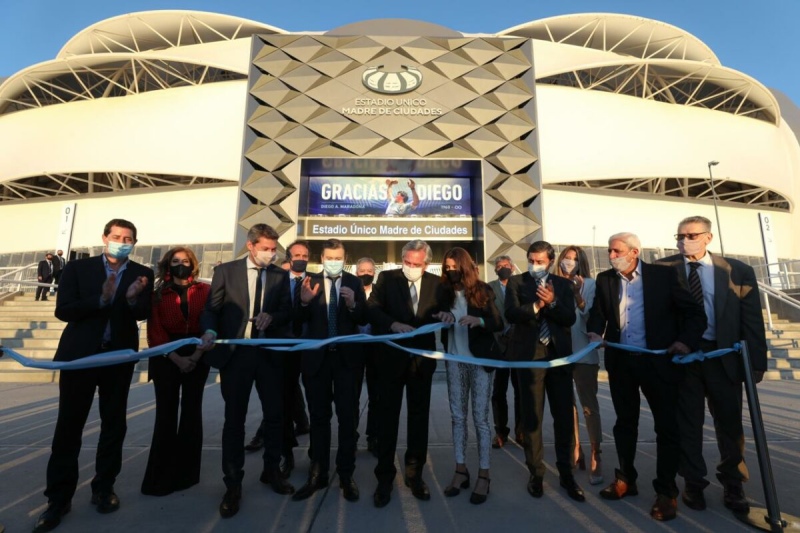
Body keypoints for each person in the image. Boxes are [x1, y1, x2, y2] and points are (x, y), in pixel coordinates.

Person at [33, 219, 153, 533]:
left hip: (118, 359)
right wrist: (100, 299)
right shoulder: (77, 269)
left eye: (128, 238)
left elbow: (143, 312)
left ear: (134, 242)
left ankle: (103, 488)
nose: (121, 242)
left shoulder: (143, 274)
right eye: (116, 237)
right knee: (69, 427)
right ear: (105, 238)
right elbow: (64, 310)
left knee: (114, 424)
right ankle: (58, 498)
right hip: (80, 358)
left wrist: (129, 298)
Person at [587, 232, 706, 522]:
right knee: (624, 424)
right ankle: (625, 478)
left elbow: (695, 314)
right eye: (609, 251)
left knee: (667, 427)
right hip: (622, 363)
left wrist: (685, 341)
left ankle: (666, 492)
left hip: (659, 364)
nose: (611, 256)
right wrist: (594, 331)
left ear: (634, 252)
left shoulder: (662, 277)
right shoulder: (605, 280)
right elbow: (598, 313)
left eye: (617, 251)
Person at [657, 216, 767, 514]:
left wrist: (756, 361)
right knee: (688, 424)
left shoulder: (737, 271)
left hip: (724, 357)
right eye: (679, 236)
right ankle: (693, 482)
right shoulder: (664, 269)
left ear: (708, 237)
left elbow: (752, 320)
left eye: (691, 235)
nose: (684, 241)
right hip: (683, 360)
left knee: (730, 426)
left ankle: (733, 483)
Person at [198, 223, 294, 518]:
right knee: (234, 420)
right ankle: (233, 483)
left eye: (274, 248)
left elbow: (287, 311)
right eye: (266, 248)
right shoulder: (226, 271)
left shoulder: (280, 275)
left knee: (275, 416)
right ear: (251, 246)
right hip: (236, 357)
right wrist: (210, 330)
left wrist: (272, 317)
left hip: (269, 357)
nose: (271, 253)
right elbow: (211, 309)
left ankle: (271, 471)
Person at [367, 239, 449, 508]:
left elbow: (443, 312)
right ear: (402, 259)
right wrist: (392, 324)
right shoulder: (387, 278)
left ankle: (415, 476)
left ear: (426, 263)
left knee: (418, 420)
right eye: (408, 262)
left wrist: (446, 316)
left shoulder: (437, 284)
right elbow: (373, 309)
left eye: (417, 264)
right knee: (386, 420)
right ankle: (384, 480)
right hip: (390, 361)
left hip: (421, 363)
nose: (411, 267)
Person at [505, 241, 584, 502]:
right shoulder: (517, 283)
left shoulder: (564, 285)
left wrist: (551, 304)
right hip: (530, 358)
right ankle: (536, 473)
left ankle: (566, 473)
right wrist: (537, 307)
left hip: (558, 359)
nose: (535, 265)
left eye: (540, 261)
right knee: (532, 418)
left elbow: (569, 318)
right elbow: (512, 314)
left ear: (550, 261)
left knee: (563, 417)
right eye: (531, 260)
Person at [292, 239, 367, 502]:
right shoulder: (308, 282)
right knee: (319, 419)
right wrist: (302, 303)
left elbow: (363, 318)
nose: (334, 261)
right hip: (316, 363)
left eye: (339, 257)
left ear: (344, 259)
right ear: (321, 258)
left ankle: (346, 474)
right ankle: (318, 473)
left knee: (348, 420)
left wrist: (353, 305)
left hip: (347, 363)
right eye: (329, 257)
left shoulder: (354, 282)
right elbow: (296, 321)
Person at [141, 247, 211, 496]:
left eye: (185, 261)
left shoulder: (205, 290)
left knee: (192, 412)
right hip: (166, 357)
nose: (181, 265)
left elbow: (210, 323)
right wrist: (176, 359)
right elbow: (155, 331)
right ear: (167, 265)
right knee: (166, 414)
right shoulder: (158, 294)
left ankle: (188, 474)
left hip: (197, 355)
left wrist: (195, 356)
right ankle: (160, 476)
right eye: (175, 261)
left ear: (193, 265)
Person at [440, 247, 503, 504]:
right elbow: (437, 316)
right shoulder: (443, 293)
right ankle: (460, 470)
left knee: (480, 418)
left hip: (479, 361)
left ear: (465, 266)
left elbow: (499, 323)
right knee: (457, 417)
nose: (450, 271)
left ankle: (484, 475)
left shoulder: (482, 290)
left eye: (454, 266)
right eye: (447, 267)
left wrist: (481, 322)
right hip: (454, 361)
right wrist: (442, 316)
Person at [244, 241, 310, 481]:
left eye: (305, 255)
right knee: (281, 401)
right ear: (289, 257)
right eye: (297, 255)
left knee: (300, 399)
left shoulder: (314, 281)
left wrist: (305, 303)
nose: (301, 258)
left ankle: (309, 444)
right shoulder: (277, 279)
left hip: (309, 349)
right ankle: (286, 453)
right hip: (280, 350)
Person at [555, 245, 604, 485]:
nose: (569, 263)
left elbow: (590, 317)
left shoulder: (591, 284)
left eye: (574, 259)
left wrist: (577, 294)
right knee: (568, 407)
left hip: (584, 352)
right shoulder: (553, 282)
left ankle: (596, 452)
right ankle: (576, 449)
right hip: (560, 353)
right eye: (566, 258)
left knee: (588, 406)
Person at [488, 255, 521, 448]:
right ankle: (500, 432)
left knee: (520, 391)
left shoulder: (521, 285)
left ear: (512, 267)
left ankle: (521, 431)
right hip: (498, 345)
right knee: (498, 392)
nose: (503, 268)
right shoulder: (490, 287)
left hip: (518, 345)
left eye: (506, 266)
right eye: (499, 266)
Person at [355, 257, 380, 456]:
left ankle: (373, 436)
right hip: (353, 350)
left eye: (369, 270)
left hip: (376, 350)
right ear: (356, 272)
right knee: (351, 396)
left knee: (376, 396)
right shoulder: (349, 291)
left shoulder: (381, 292)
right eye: (362, 270)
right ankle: (351, 434)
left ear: (374, 272)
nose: (366, 273)